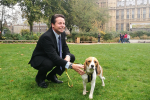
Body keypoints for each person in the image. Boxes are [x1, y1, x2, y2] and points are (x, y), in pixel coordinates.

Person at [28, 14, 85, 88]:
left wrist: (67, 56)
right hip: (40, 58)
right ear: (53, 25)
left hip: (52, 56)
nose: (62, 25)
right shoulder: (47, 37)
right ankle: (40, 78)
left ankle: (51, 76)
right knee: (49, 63)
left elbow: (65, 48)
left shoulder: (62, 33)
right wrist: (71, 65)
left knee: (71, 57)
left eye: (64, 23)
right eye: (59, 23)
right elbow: (54, 57)